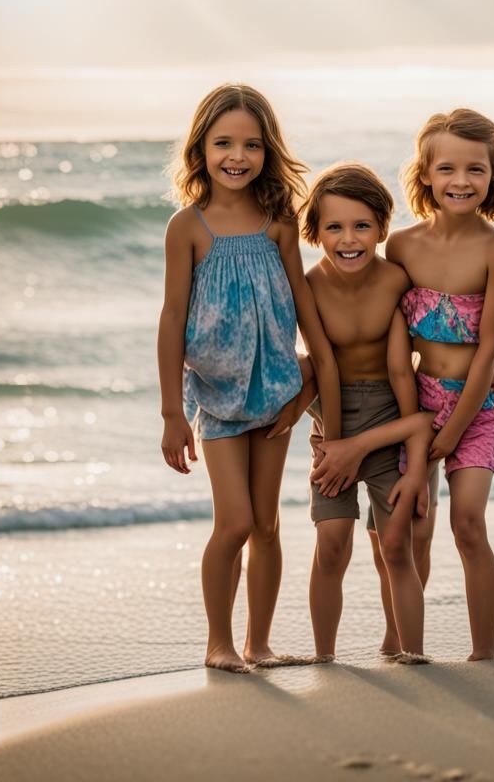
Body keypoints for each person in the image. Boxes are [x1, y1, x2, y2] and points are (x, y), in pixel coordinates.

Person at [157, 82, 341, 673]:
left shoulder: (278, 221)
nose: (238, 156)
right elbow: (171, 318)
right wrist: (170, 414)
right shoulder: (188, 227)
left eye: (252, 145)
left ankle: (257, 644)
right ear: (200, 149)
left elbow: (305, 308)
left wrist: (317, 384)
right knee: (233, 521)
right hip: (214, 395)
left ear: (268, 151)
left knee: (266, 523)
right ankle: (219, 643)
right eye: (223, 143)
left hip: (276, 393)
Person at [385, 108, 494, 661]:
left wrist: (454, 428)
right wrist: (413, 425)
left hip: (477, 407)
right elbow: (389, 341)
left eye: (476, 170)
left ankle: (483, 654)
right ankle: (402, 643)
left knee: (468, 525)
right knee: (415, 528)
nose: (461, 181)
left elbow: (488, 348)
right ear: (425, 174)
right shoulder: (400, 247)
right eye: (447, 168)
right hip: (417, 402)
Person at [294, 162, 434, 663]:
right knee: (332, 542)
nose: (348, 239)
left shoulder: (397, 279)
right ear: (314, 232)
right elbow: (322, 365)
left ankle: (407, 650)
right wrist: (333, 445)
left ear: (381, 227)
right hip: (330, 416)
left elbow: (414, 360)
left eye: (361, 226)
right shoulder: (308, 287)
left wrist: (411, 449)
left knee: (394, 547)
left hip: (395, 414)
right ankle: (324, 657)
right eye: (333, 226)